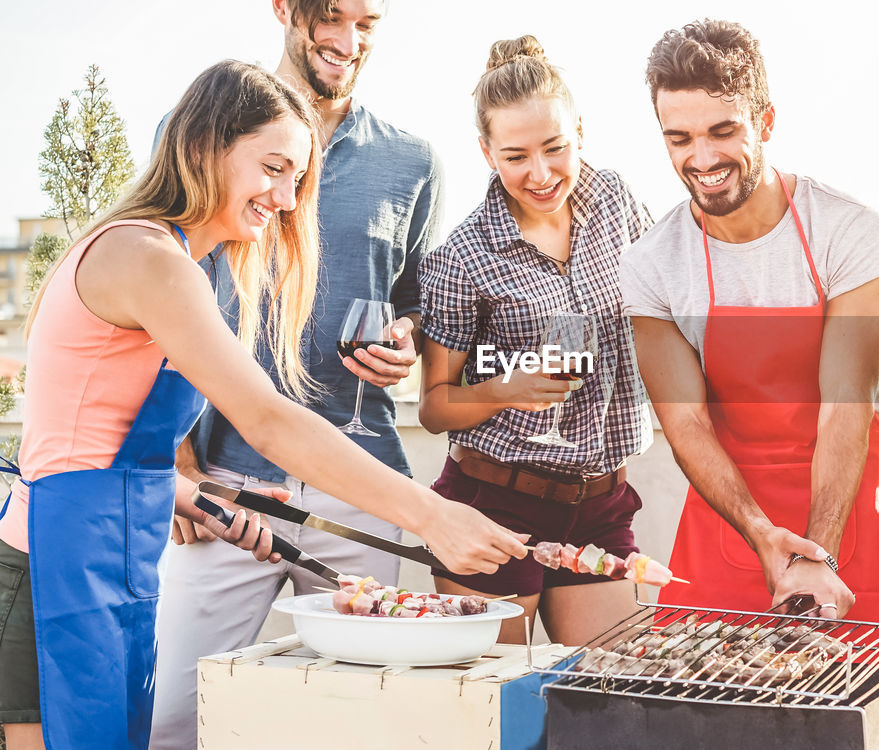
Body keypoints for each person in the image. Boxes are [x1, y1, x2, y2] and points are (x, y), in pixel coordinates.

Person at [0, 60, 523, 750]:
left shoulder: (165, 257)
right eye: (272, 168)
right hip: (49, 573)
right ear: (204, 148)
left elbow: (97, 435)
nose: (285, 196)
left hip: (105, 557)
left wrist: (198, 498)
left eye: (297, 178)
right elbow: (269, 421)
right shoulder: (150, 259)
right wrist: (430, 514)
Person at [149, 0, 445, 746]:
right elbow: (160, 302)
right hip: (225, 488)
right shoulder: (197, 137)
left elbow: (411, 304)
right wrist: (177, 462)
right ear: (282, 6)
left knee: (354, 725)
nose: (348, 43)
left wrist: (404, 342)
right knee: (174, 719)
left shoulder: (412, 164)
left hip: (362, 487)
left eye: (367, 23)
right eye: (328, 18)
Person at [620, 19, 879, 700]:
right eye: (679, 139)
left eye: (722, 131)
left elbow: (843, 404)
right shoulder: (651, 263)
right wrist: (764, 534)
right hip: (735, 519)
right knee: (698, 713)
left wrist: (814, 555)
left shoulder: (852, 233)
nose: (700, 157)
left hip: (855, 514)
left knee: (869, 715)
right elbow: (688, 427)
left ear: (764, 120)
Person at [418, 35, 653, 646]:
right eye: (516, 156)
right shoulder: (462, 256)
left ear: (580, 130)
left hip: (601, 503)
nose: (541, 174)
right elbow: (436, 406)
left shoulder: (616, 203)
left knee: (611, 704)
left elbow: (667, 302)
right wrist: (507, 387)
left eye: (555, 148)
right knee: (495, 713)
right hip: (494, 502)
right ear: (486, 152)